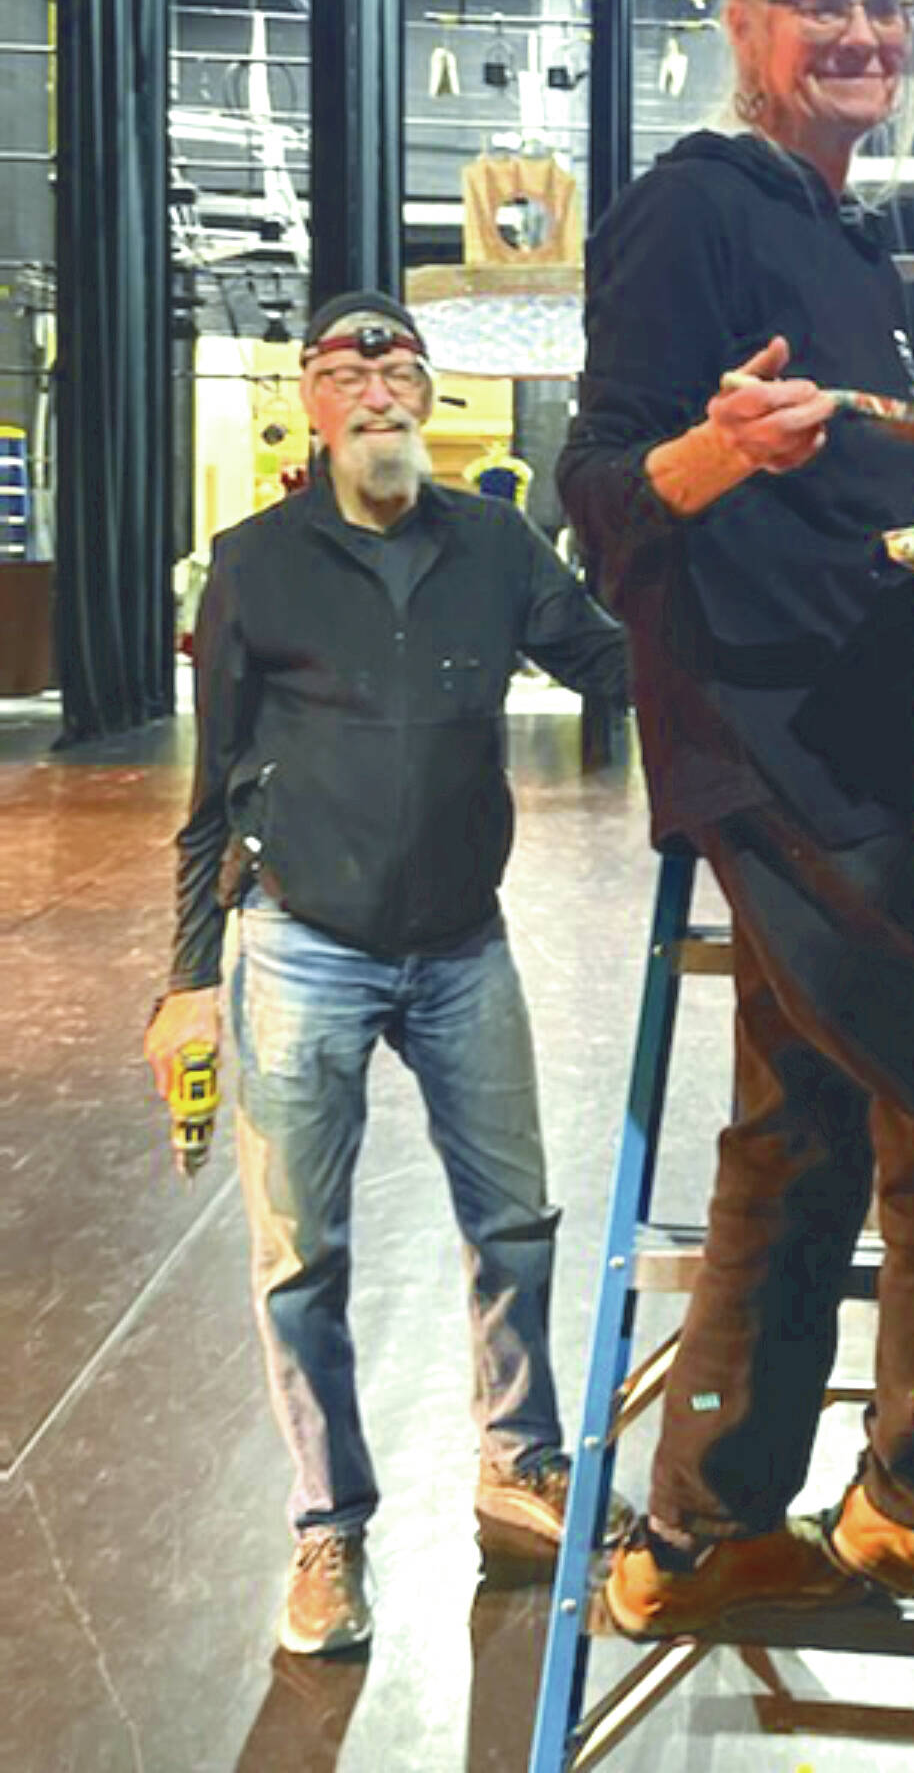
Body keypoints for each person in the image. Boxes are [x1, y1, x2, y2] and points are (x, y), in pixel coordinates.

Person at [558, 0, 914, 1637]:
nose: (863, 31)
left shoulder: (846, 238)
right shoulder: (688, 215)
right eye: (821, 1)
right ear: (746, 24)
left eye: (885, 4)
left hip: (847, 730)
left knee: (795, 1133)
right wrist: (713, 454)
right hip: (763, 735)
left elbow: (855, 493)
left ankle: (702, 1535)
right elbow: (606, 498)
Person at [144, 291, 628, 1657]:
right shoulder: (255, 562)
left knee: (515, 1222)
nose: (381, 394)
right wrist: (187, 979)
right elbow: (210, 789)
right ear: (312, 401)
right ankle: (326, 1531)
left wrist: (738, 632)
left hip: (464, 947)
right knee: (303, 1259)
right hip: (302, 949)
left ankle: (521, 1469)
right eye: (354, 374)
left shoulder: (493, 544)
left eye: (403, 372)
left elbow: (609, 660)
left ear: (425, 399)